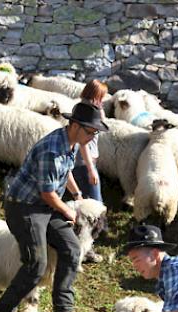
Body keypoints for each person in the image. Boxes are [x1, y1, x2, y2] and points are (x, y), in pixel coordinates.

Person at [0, 102, 109, 312]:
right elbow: (47, 192)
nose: (92, 137)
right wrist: (68, 210)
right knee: (36, 262)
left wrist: (76, 194)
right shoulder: (51, 150)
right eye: (90, 132)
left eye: (95, 133)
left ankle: (63, 311)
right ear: (74, 125)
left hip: (45, 205)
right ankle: (3, 309)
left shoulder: (71, 143)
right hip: (25, 207)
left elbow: (66, 172)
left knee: (72, 248)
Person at [71, 80, 108, 264]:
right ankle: (87, 249)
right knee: (95, 207)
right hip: (84, 165)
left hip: (86, 164)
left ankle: (83, 246)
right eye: (102, 95)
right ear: (96, 94)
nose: (104, 99)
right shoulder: (87, 111)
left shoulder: (85, 108)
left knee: (86, 206)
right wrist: (91, 168)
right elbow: (83, 143)